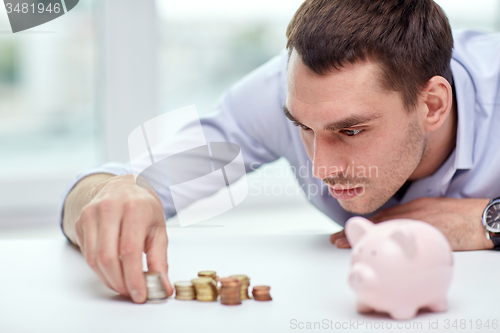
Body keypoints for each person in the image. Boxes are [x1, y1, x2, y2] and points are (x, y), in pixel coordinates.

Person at [61, 0, 500, 303]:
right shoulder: (287, 94)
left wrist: (490, 219)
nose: (320, 168)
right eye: (303, 129)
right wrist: (112, 196)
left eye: (350, 131)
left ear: (433, 104)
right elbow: (114, 185)